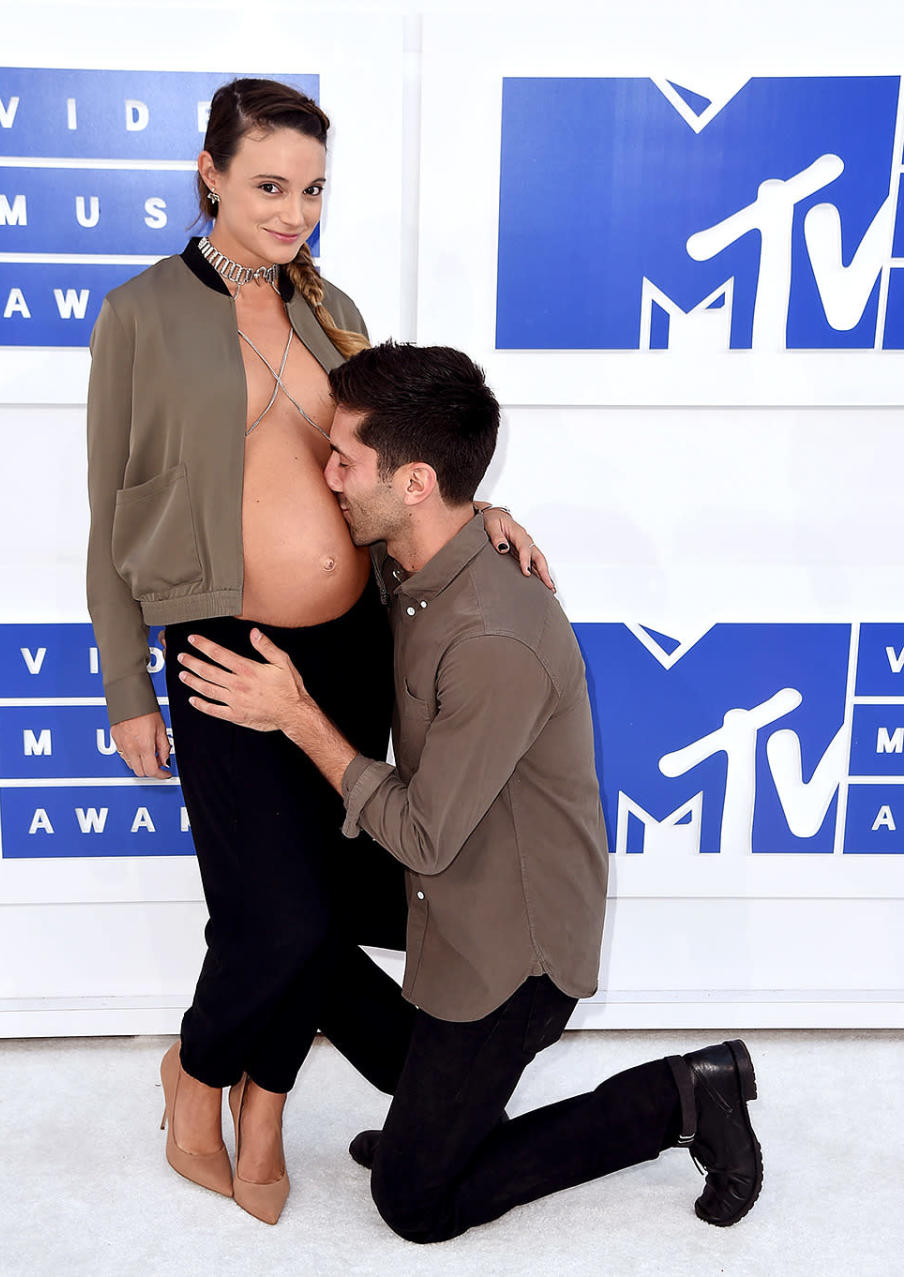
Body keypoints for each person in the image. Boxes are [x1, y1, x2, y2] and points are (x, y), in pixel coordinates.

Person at [85, 79, 549, 1224]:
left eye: (313, 189)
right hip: (224, 648)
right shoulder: (142, 313)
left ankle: (268, 1101)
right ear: (210, 174)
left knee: (322, 906)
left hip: (350, 647)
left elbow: (392, 457)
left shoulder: (326, 300)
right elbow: (109, 513)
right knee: (274, 912)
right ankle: (196, 1071)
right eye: (270, 186)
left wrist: (477, 512)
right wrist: (126, 684)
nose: (296, 211)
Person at [175, 340, 764, 1243]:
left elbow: (419, 836)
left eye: (345, 460)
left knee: (414, 1202)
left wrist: (296, 714)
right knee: (292, 906)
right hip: (451, 871)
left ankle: (683, 1095)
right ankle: (426, 1106)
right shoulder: (419, 556)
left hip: (510, 943)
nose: (324, 476)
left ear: (414, 482)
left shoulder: (493, 636)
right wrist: (487, 504)